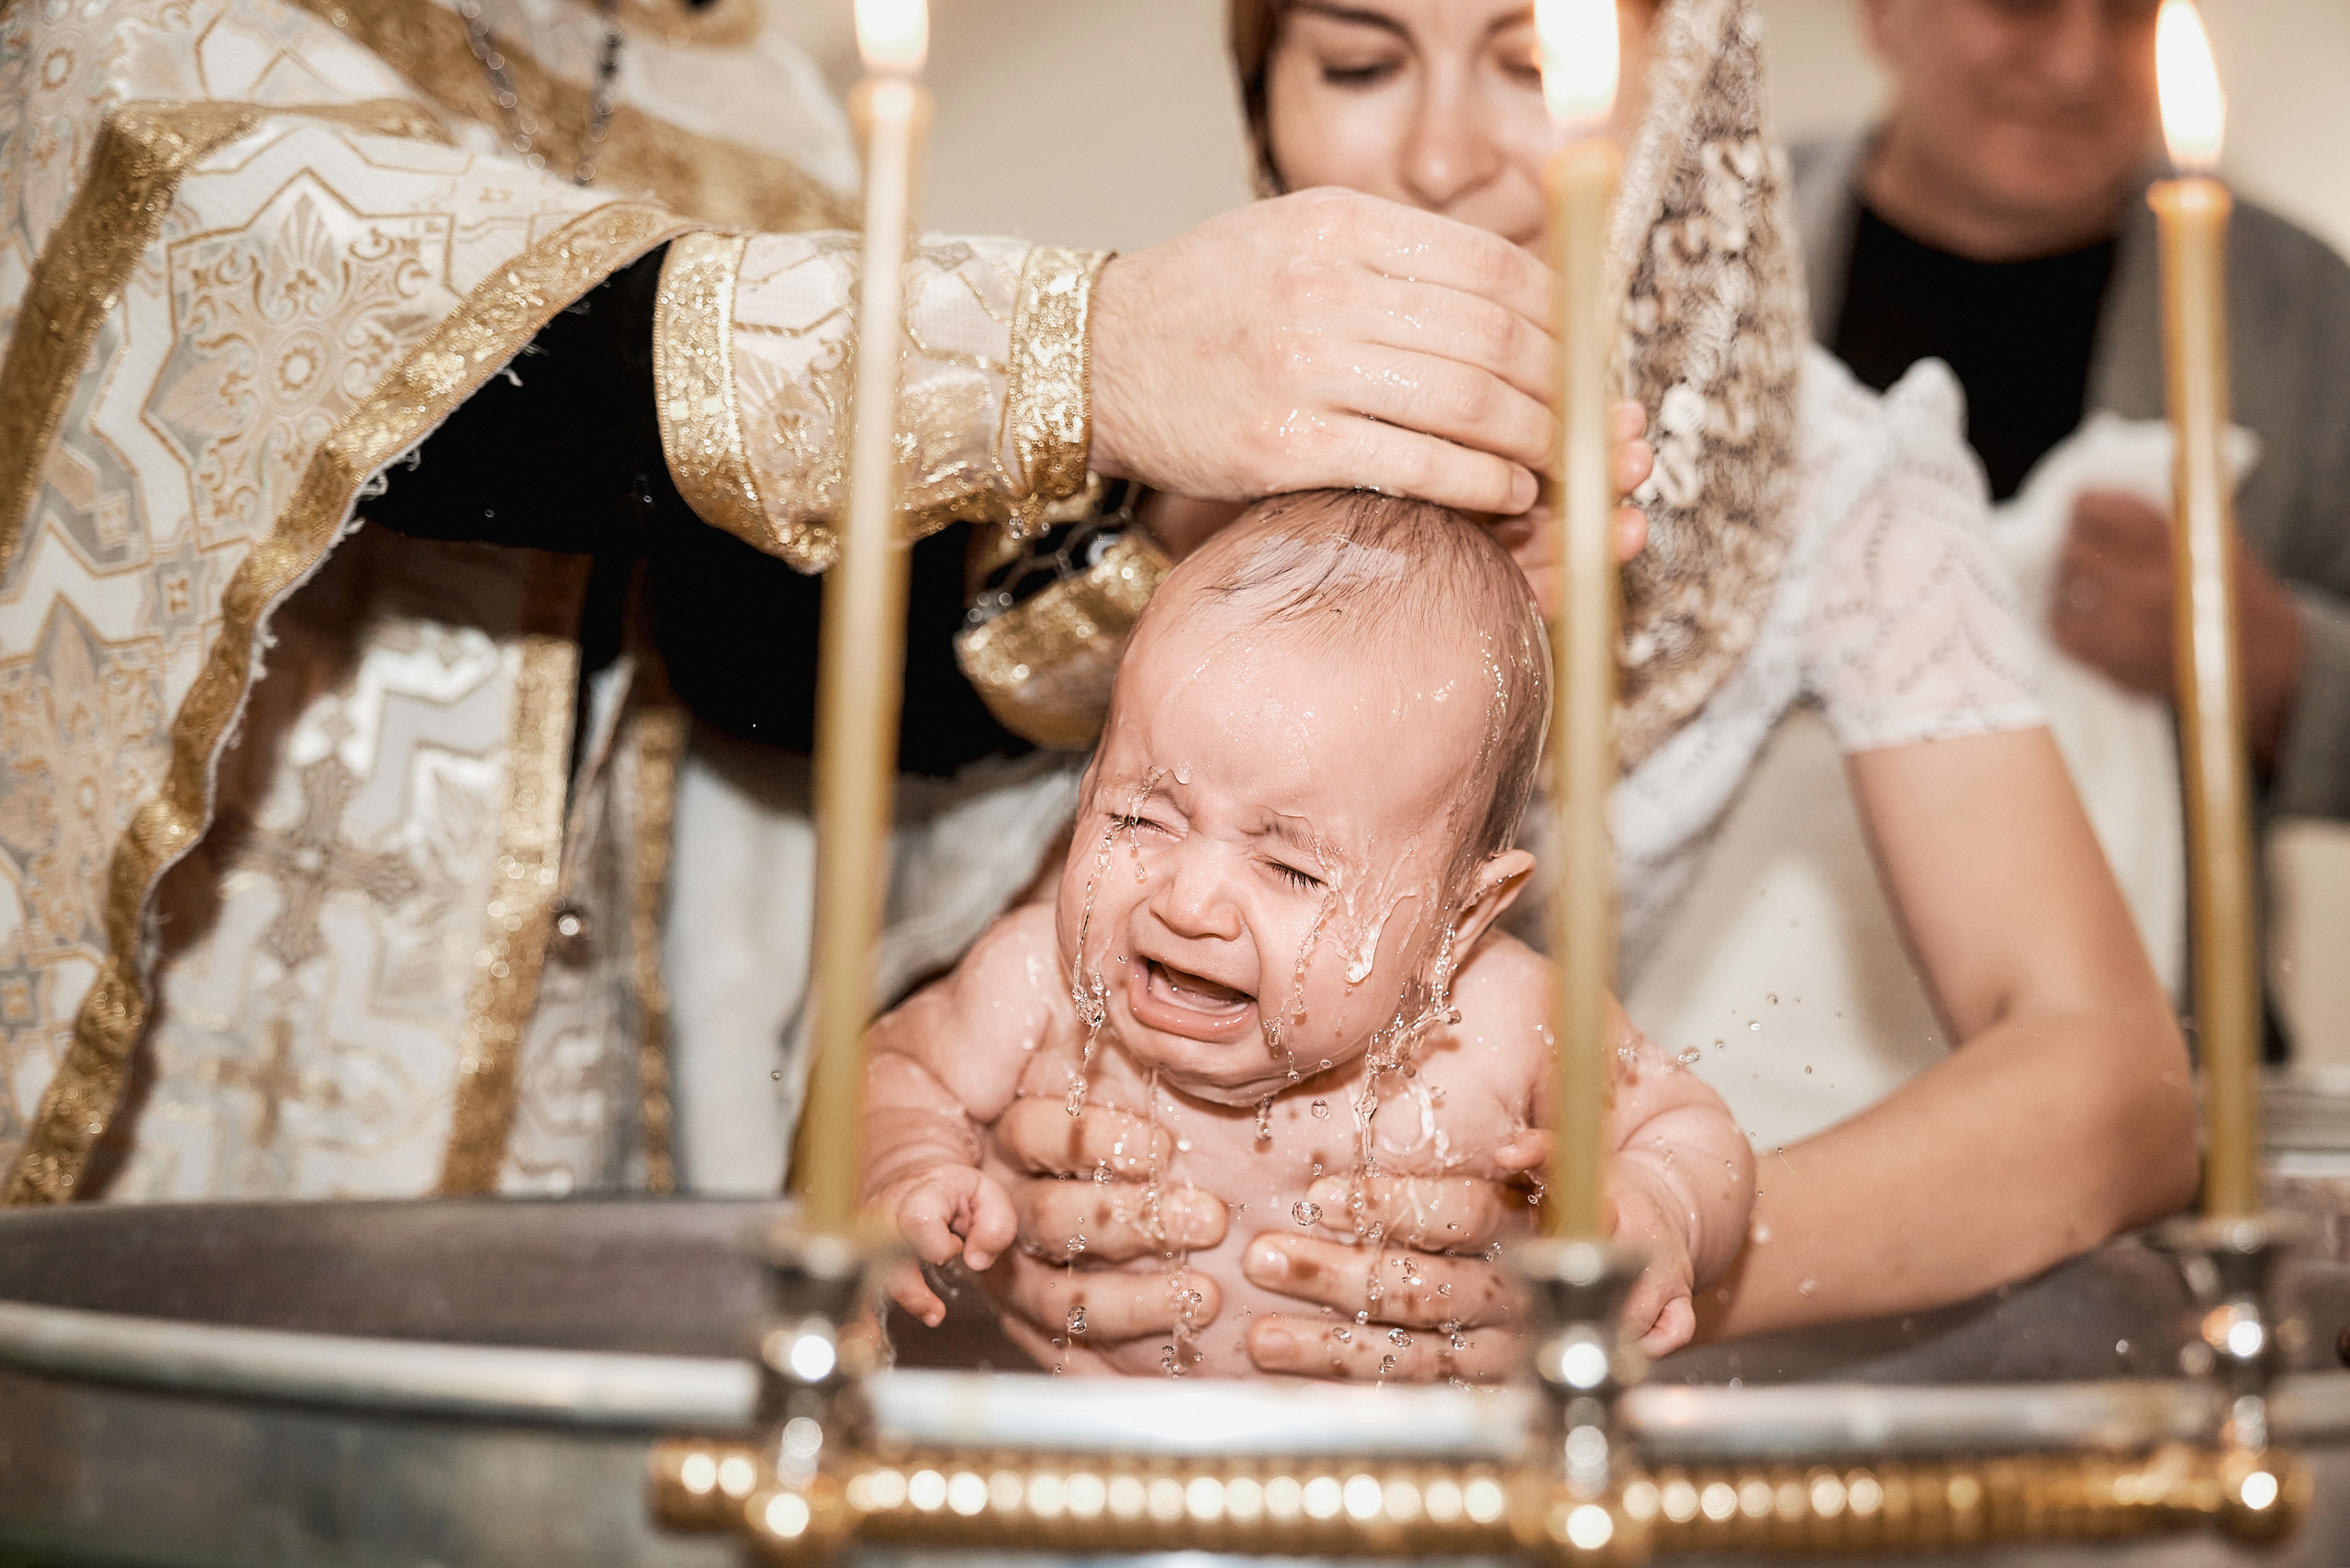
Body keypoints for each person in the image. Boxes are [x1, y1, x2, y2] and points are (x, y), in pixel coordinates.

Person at [0, 0, 1597, 1201]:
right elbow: (296, 327)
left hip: (610, 1115)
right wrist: (1073, 351)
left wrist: (1172, 525)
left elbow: (757, 647)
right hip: (184, 1112)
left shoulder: (747, 75)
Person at [974, 0, 2196, 1378]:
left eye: (1536, 62)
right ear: (1262, 98)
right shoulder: (1106, 415)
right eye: (1362, 63)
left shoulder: (1827, 483)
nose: (1441, 159)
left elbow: (2114, 1088)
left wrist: (1637, 1261)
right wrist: (992, 1178)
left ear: (1678, 80)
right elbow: (863, 989)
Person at [865, 491, 1752, 1372]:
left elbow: (1684, 1130)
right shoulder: (1035, 981)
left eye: (1292, 871)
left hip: (1417, 1501)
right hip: (1105, 1479)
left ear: (1460, 919)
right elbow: (891, 1074)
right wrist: (904, 1166)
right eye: (1142, 819)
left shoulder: (1509, 1022)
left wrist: (1654, 1209)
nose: (1189, 903)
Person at [1795, 0, 2350, 1056]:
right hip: (1733, 1057)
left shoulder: (2299, 309)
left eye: (2128, 16)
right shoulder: (1698, 247)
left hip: (2165, 1065)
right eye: (2023, 5)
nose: (2074, 64)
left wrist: (2277, 667)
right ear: (1883, 17)